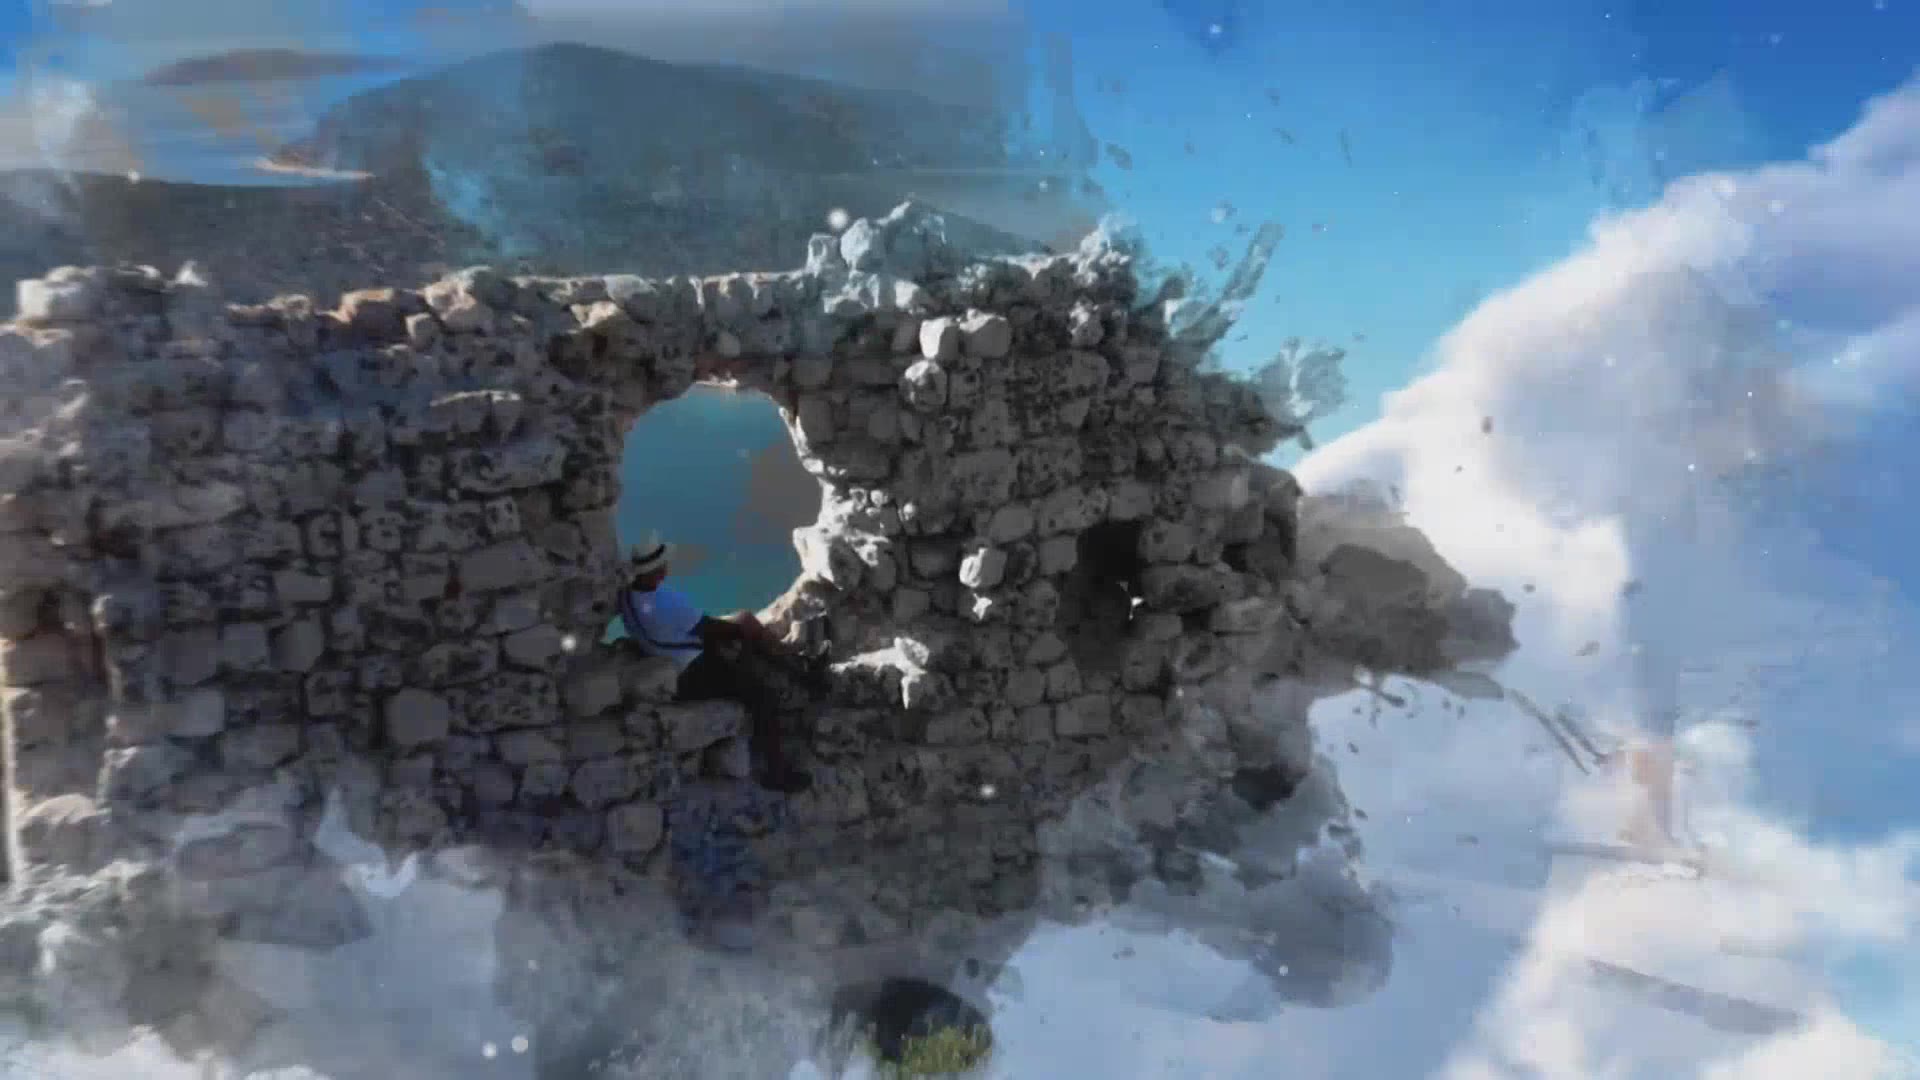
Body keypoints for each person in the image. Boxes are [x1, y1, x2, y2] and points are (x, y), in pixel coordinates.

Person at [616, 534, 813, 795]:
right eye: (663, 564)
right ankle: (777, 771)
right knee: (763, 696)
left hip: (670, 656)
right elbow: (711, 629)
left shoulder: (627, 597)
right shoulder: (665, 602)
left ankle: (800, 668)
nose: (666, 567)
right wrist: (742, 632)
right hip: (692, 672)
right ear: (657, 571)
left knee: (743, 626)